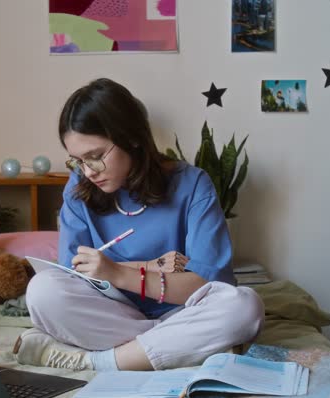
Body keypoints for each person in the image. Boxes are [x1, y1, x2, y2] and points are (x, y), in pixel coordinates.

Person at [14, 78, 264, 372]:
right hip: (114, 316)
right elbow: (74, 277)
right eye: (77, 161)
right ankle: (172, 348)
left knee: (244, 307)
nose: (88, 172)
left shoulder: (193, 184)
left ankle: (98, 360)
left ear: (131, 137)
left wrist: (119, 271)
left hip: (184, 312)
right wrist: (151, 266)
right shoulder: (78, 189)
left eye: (95, 157)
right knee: (42, 291)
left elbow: (208, 282)